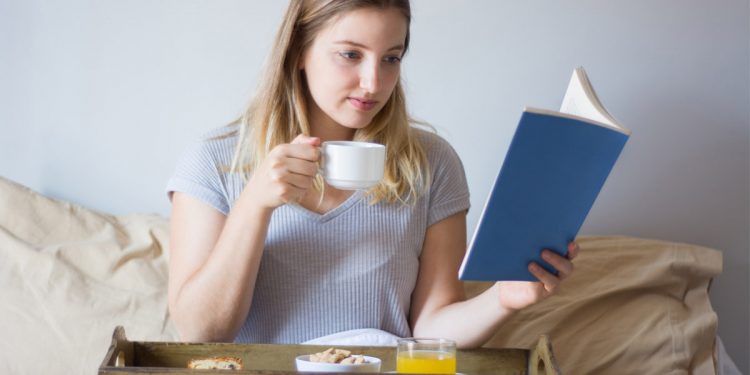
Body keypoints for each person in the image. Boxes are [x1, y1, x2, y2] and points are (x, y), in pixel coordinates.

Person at [166, 0, 577, 348]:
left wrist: (503, 299)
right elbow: (201, 334)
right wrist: (254, 205)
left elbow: (432, 329)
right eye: (350, 54)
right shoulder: (215, 163)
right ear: (298, 53)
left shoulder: (432, 163)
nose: (373, 83)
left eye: (391, 58)